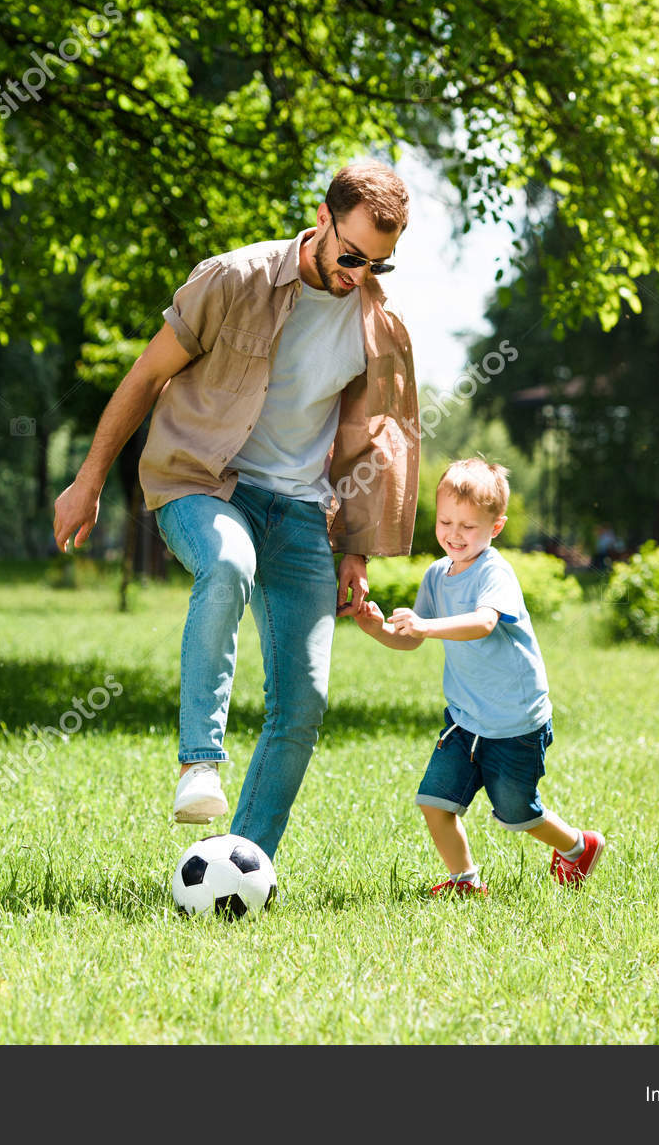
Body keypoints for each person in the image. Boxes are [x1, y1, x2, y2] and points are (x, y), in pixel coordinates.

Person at [52, 160, 421, 860]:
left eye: (379, 263)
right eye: (351, 256)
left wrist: (358, 551)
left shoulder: (382, 323)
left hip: (302, 513)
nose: (359, 274)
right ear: (321, 217)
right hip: (204, 481)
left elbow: (381, 439)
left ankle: (242, 868)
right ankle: (199, 764)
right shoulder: (235, 279)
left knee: (305, 702)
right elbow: (147, 374)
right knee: (226, 563)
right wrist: (89, 478)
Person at [353, 458, 604, 894]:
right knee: (434, 802)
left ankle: (578, 847)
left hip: (514, 723)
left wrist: (427, 626)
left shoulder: (494, 572)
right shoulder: (436, 575)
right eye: (447, 521)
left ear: (496, 527)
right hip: (465, 719)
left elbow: (483, 623)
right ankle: (465, 880)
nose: (454, 534)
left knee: (517, 813)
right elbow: (410, 639)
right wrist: (379, 630)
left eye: (468, 526)